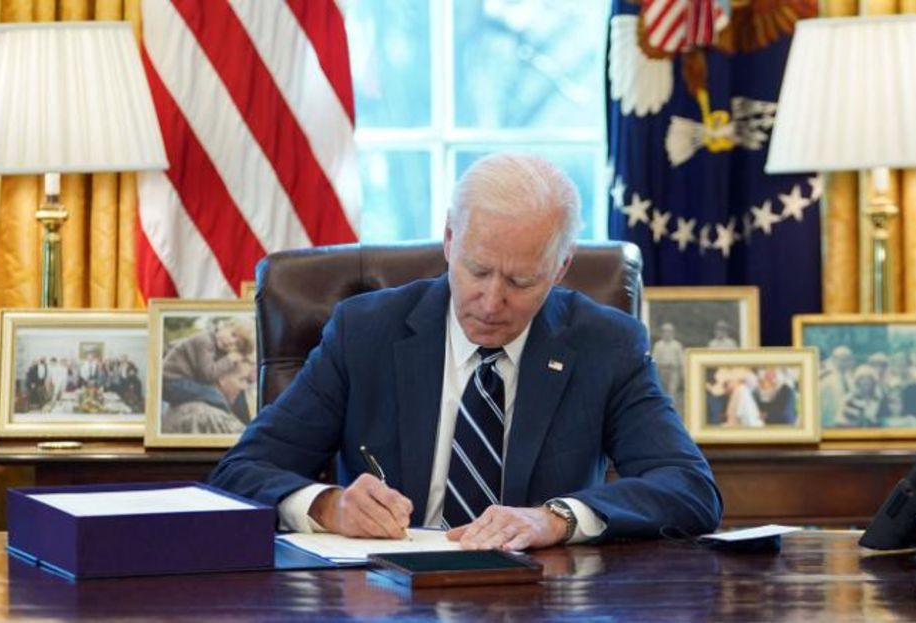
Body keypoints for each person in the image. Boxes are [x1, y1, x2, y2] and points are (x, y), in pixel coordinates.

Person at [210, 153, 721, 551]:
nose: (492, 301)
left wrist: (556, 518)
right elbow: (240, 472)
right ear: (451, 240)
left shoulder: (605, 344)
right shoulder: (364, 332)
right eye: (477, 270)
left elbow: (689, 488)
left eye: (521, 280)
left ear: (561, 267)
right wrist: (328, 506)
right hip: (386, 597)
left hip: (540, 597)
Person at [818, 346, 853, 427]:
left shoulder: (850, 378)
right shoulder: (825, 378)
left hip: (846, 423)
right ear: (834, 360)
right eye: (843, 359)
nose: (846, 362)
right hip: (828, 423)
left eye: (848, 359)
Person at [651, 322, 684, 403]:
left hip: (673, 371)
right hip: (661, 370)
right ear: (662, 333)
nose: (667, 334)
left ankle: (671, 410)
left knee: (672, 392)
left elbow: (681, 361)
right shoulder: (658, 345)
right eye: (665, 331)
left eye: (669, 331)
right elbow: (654, 360)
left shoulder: (677, 345)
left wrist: (682, 374)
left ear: (673, 333)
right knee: (662, 392)